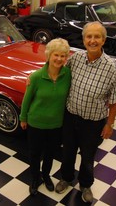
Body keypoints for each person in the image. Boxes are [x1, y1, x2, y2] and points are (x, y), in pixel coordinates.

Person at [55, 21, 116, 203]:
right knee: (67, 152)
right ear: (84, 39)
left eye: (97, 37)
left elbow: (115, 100)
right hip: (71, 116)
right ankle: (66, 178)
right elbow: (57, 72)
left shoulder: (111, 67)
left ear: (103, 40)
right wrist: (34, 76)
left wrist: (110, 124)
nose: (92, 40)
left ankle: (85, 184)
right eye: (89, 36)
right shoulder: (75, 59)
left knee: (87, 157)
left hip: (93, 123)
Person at [19, 38, 71, 196]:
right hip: (36, 122)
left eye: (63, 56)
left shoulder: (68, 74)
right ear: (49, 55)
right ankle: (35, 178)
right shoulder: (36, 77)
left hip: (56, 124)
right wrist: (23, 118)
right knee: (35, 153)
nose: (59, 59)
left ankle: (46, 175)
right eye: (56, 55)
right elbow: (27, 99)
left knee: (50, 153)